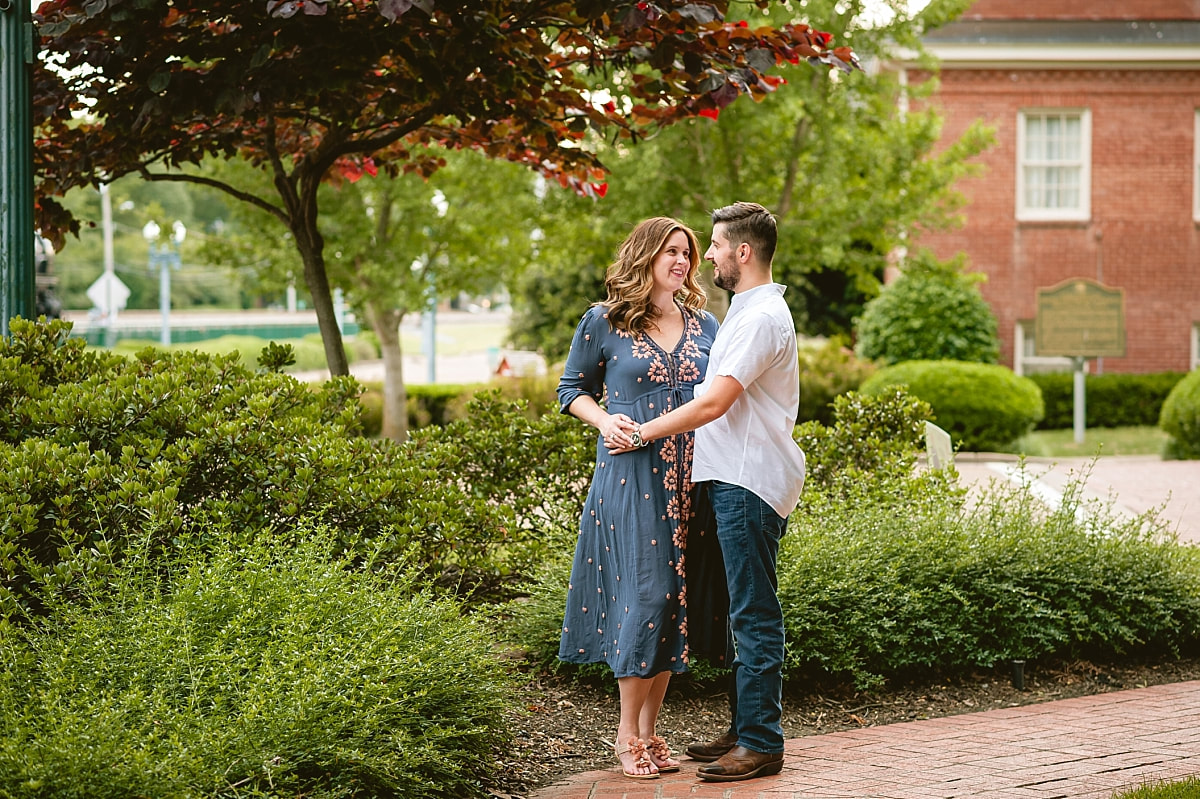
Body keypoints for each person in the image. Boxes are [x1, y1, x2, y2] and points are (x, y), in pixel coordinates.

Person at [612, 201, 806, 782]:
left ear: (742, 252)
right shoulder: (745, 312)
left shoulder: (760, 318)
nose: (709, 256)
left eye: (717, 246)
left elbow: (715, 401)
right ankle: (744, 726)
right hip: (729, 479)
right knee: (730, 615)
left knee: (753, 613)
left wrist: (640, 432)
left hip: (749, 481)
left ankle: (761, 741)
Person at [556, 216, 721, 780]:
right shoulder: (604, 321)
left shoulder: (706, 325)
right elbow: (570, 389)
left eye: (688, 254)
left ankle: (652, 731)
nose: (681, 262)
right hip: (630, 475)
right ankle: (627, 733)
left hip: (693, 479)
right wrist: (602, 421)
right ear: (645, 255)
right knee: (646, 598)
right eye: (670, 252)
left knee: (674, 604)